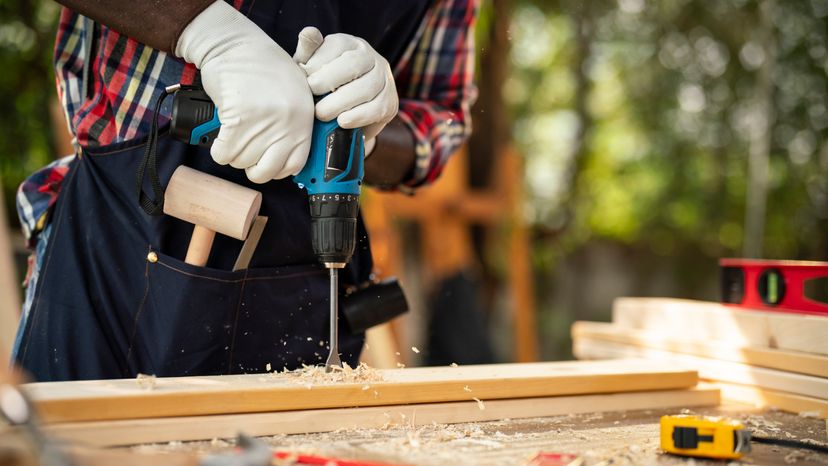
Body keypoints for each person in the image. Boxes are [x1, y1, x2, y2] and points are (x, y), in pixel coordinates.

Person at [13, 0, 478, 381]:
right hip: (116, 259)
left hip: (302, 286)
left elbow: (442, 119)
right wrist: (205, 32)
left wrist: (362, 123)